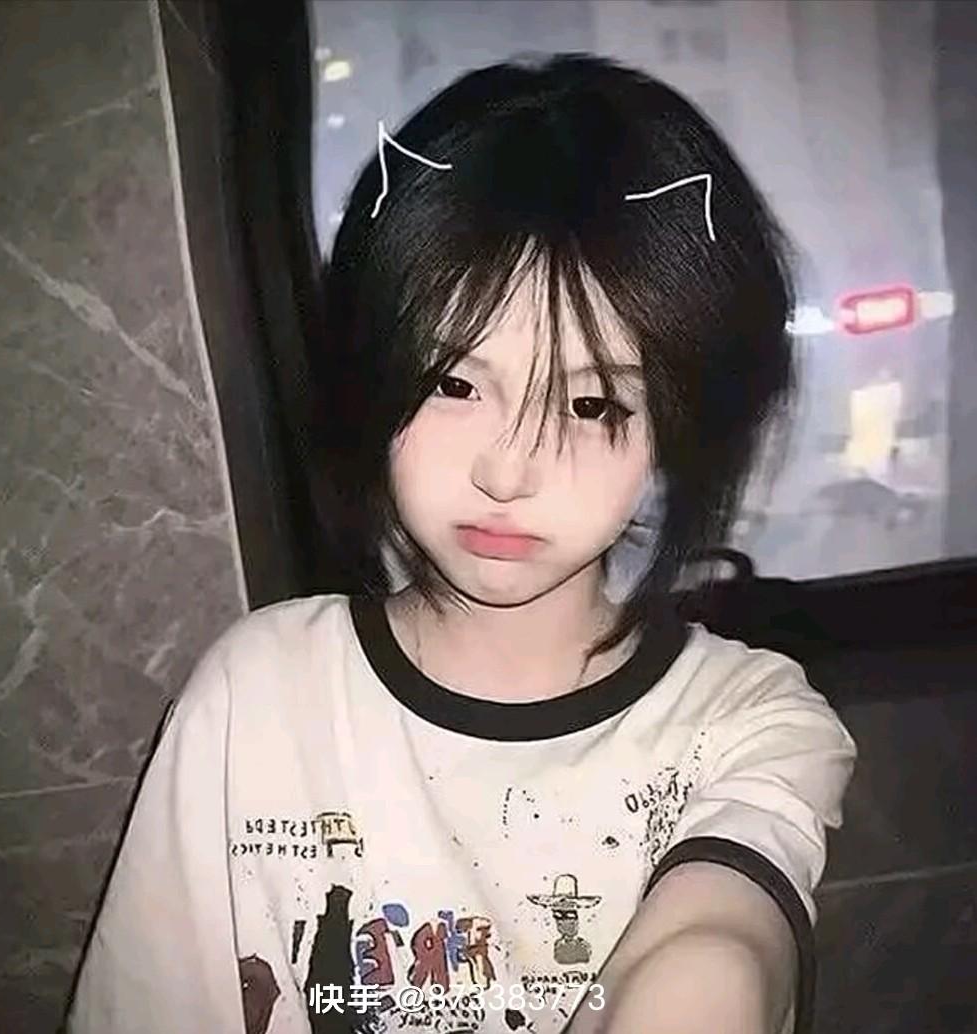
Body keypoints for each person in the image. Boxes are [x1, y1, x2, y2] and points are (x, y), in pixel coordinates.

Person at [68, 54, 857, 1034]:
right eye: (453, 383)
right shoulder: (258, 695)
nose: (507, 469)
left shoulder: (748, 718)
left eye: (590, 402)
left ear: (675, 422)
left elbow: (718, 943)